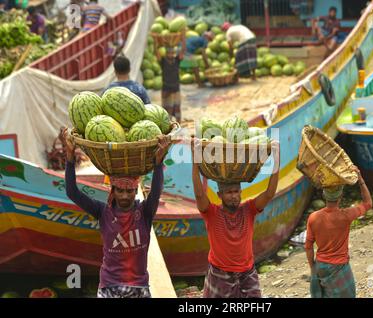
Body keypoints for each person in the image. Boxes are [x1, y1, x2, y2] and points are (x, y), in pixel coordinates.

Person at [60, 128, 170, 298]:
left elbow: (156, 191)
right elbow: (72, 192)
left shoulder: (145, 212)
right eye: (120, 191)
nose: (125, 196)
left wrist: (158, 163)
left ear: (136, 192)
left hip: (138, 288)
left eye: (129, 191)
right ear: (113, 191)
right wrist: (69, 157)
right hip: (109, 287)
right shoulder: (102, 212)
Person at [191, 138, 280, 298]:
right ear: (220, 195)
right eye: (229, 192)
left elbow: (269, 193)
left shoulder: (249, 210)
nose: (234, 196)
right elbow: (199, 194)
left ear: (241, 192)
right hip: (220, 274)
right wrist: (196, 160)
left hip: (247, 273)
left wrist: (276, 159)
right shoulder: (211, 212)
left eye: (236, 191)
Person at [305, 166, 372, 298]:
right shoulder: (346, 215)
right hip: (340, 266)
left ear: (324, 195)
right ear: (340, 196)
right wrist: (360, 179)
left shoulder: (313, 217)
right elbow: (368, 203)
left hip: (321, 266)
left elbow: (308, 246)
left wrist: (313, 267)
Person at [157, 46, 182, 123]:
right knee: (167, 109)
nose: (171, 55)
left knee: (177, 107)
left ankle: (179, 123)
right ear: (166, 53)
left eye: (172, 53)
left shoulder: (177, 60)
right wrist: (156, 43)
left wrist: (183, 38)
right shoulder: (163, 61)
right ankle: (168, 124)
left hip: (175, 88)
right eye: (169, 53)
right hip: (166, 88)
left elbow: (183, 50)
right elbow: (156, 53)